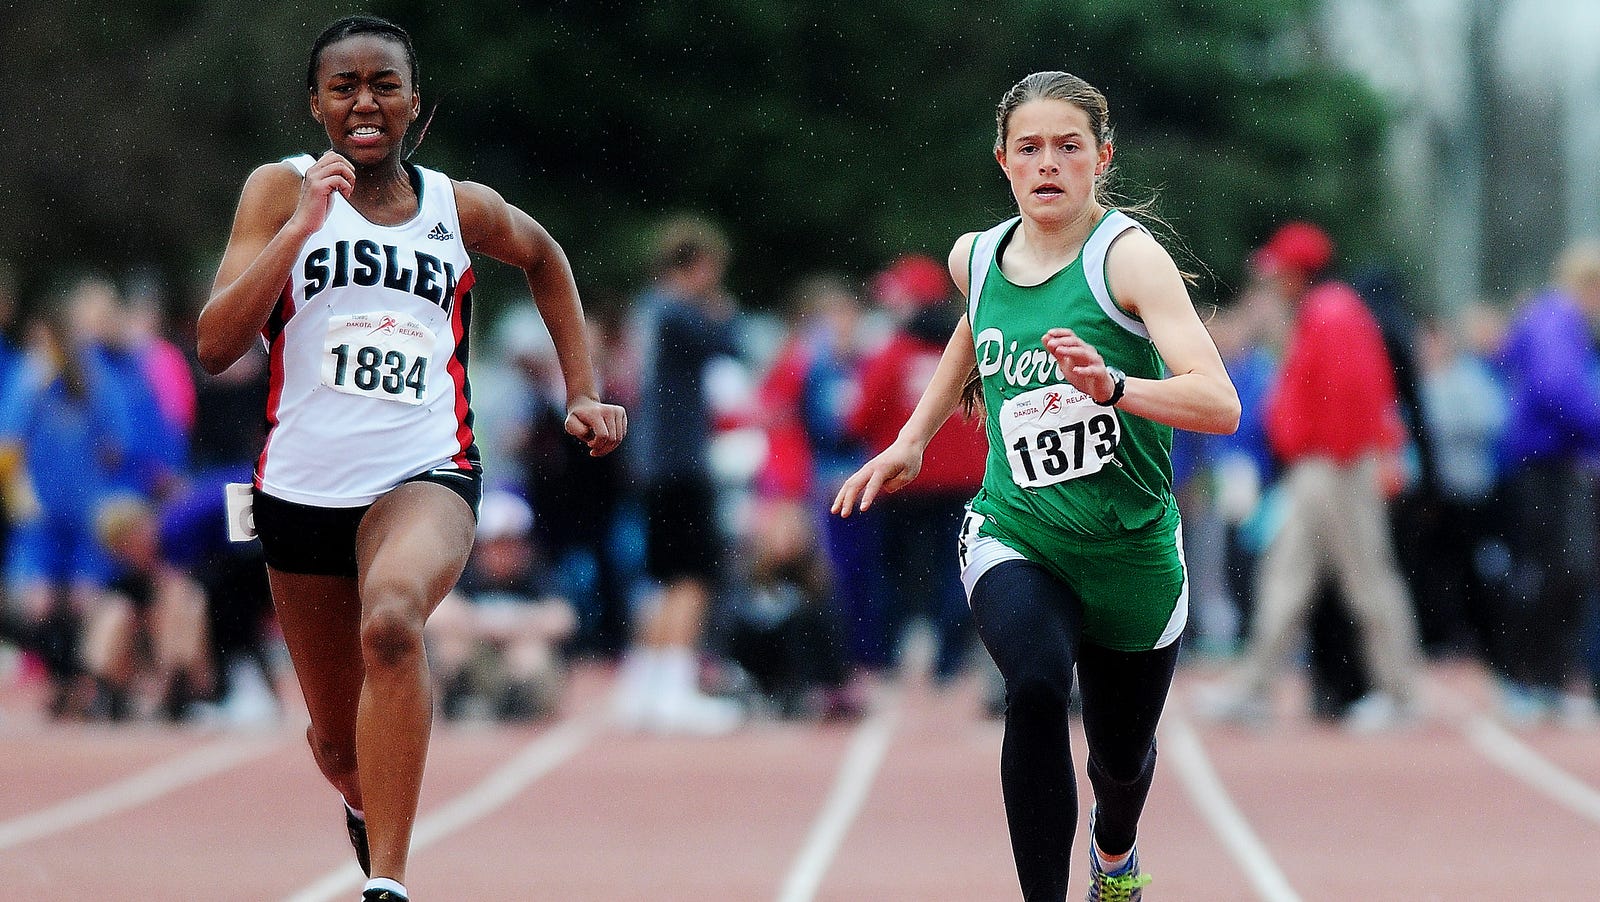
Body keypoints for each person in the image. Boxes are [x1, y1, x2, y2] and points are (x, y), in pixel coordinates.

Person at [195, 16, 625, 902]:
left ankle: (386, 885)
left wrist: (581, 390)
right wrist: (300, 227)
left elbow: (545, 258)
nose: (365, 101)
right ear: (316, 105)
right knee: (336, 746)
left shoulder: (455, 208)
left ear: (414, 104)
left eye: (384, 84)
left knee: (392, 620)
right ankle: (363, 800)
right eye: (344, 86)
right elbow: (214, 344)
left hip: (425, 472)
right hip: (300, 491)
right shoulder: (277, 191)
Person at [834, 71, 1240, 902]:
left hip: (1131, 550)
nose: (1048, 163)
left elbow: (1219, 403)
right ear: (1003, 161)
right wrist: (913, 438)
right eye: (1029, 148)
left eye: (1068, 147)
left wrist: (1115, 388)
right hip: (1018, 533)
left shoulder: (1129, 259)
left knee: (1119, 763)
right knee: (1037, 686)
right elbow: (972, 327)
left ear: (1102, 158)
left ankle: (1115, 853)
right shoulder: (975, 257)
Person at [1196, 222, 1424, 733]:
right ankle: (1253, 689)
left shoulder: (1332, 311)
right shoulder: (1323, 310)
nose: (1270, 280)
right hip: (1319, 467)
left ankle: (1400, 693)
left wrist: (1335, 456)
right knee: (1287, 578)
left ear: (1298, 272)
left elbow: (1353, 394)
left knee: (1366, 581)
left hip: (1335, 467)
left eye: (1278, 271)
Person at [612, 215, 745, 735]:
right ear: (698, 265)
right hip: (678, 461)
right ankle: (673, 689)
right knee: (692, 576)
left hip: (655, 460)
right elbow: (728, 341)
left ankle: (646, 685)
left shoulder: (650, 309)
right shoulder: (676, 311)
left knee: (663, 577)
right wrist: (724, 310)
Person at [1493, 240, 1600, 725]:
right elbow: (1557, 389)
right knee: (1555, 570)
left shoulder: (1550, 318)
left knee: (1557, 570)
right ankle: (1525, 678)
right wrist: (1594, 423)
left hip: (1547, 461)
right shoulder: (1558, 320)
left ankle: (1544, 679)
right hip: (1546, 464)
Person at [427, 489, 577, 721]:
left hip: (515, 662)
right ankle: (463, 703)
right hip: (481, 656)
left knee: (533, 655)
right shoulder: (464, 572)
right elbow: (433, 615)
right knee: (450, 647)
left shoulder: (536, 574)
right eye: (497, 544)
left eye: (511, 544)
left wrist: (515, 628)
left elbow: (564, 619)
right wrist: (484, 625)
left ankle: (520, 709)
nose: (504, 553)